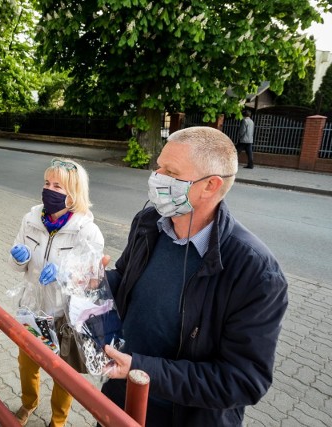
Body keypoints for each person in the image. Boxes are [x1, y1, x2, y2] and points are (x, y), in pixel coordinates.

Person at [100, 127, 288, 426]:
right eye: (158, 166)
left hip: (184, 417)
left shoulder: (255, 271)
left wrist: (141, 369)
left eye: (169, 171)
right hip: (118, 398)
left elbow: (242, 380)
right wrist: (96, 281)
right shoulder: (149, 222)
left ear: (210, 186)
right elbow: (126, 281)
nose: (156, 176)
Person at [8, 158, 104, 427]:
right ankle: (29, 403)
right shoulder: (31, 220)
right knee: (28, 365)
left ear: (73, 194)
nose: (49, 189)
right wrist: (19, 258)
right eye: (46, 183)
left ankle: (58, 421)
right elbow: (17, 266)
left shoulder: (87, 231)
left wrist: (65, 276)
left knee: (65, 374)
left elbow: (93, 280)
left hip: (66, 316)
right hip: (33, 309)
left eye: (57, 186)